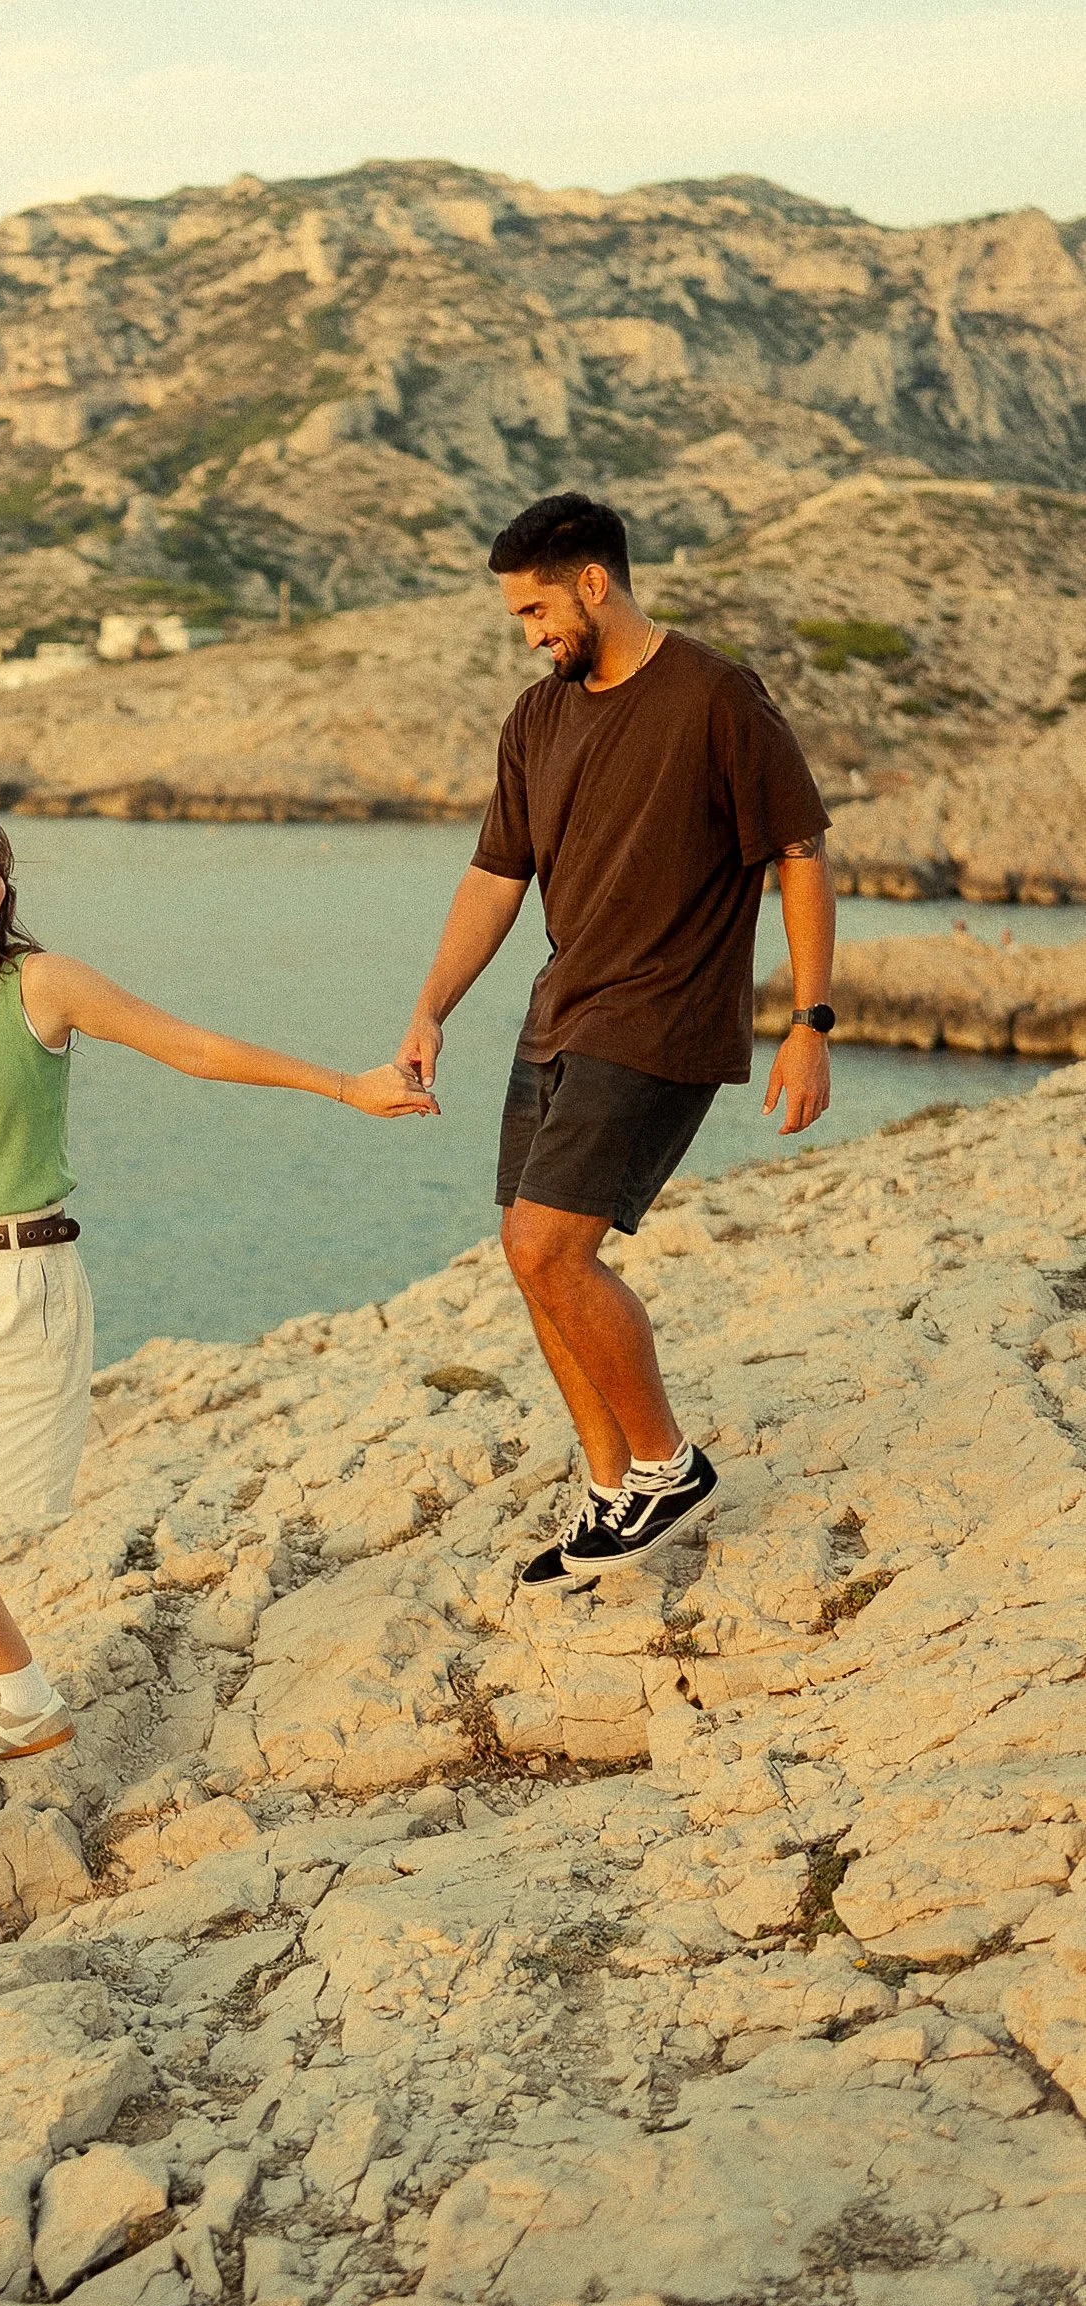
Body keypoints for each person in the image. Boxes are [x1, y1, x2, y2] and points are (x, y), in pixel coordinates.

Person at [0, 805, 438, 1877]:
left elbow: (188, 1045)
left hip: (21, 1282)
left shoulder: (39, 985)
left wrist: (344, 1084)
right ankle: (24, 1698)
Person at [394, 491, 836, 1590]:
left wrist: (807, 1021)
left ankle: (666, 1465)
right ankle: (608, 1495)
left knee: (551, 1249)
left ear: (594, 582)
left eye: (538, 609)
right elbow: (496, 877)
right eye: (518, 620)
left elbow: (798, 851)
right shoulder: (535, 718)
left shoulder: (714, 695)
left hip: (659, 1018)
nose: (532, 633)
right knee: (528, 1258)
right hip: (560, 1012)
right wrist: (429, 1005)